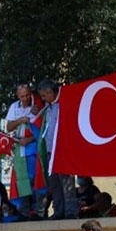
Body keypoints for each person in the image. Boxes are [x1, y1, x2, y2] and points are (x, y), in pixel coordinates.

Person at [37, 79, 78, 219]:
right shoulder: (48, 108)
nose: (43, 99)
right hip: (50, 151)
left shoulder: (63, 105)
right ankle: (59, 211)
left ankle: (71, 211)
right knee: (54, 183)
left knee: (66, 181)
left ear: (50, 92)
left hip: (62, 150)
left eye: (44, 95)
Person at [4, 84, 44, 217]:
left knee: (36, 178)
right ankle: (25, 211)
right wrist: (20, 119)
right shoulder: (14, 107)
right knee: (22, 180)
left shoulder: (36, 104)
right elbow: (9, 127)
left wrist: (30, 139)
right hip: (19, 148)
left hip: (33, 146)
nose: (25, 98)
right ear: (18, 96)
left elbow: (42, 127)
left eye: (27, 95)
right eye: (22, 96)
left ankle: (38, 210)